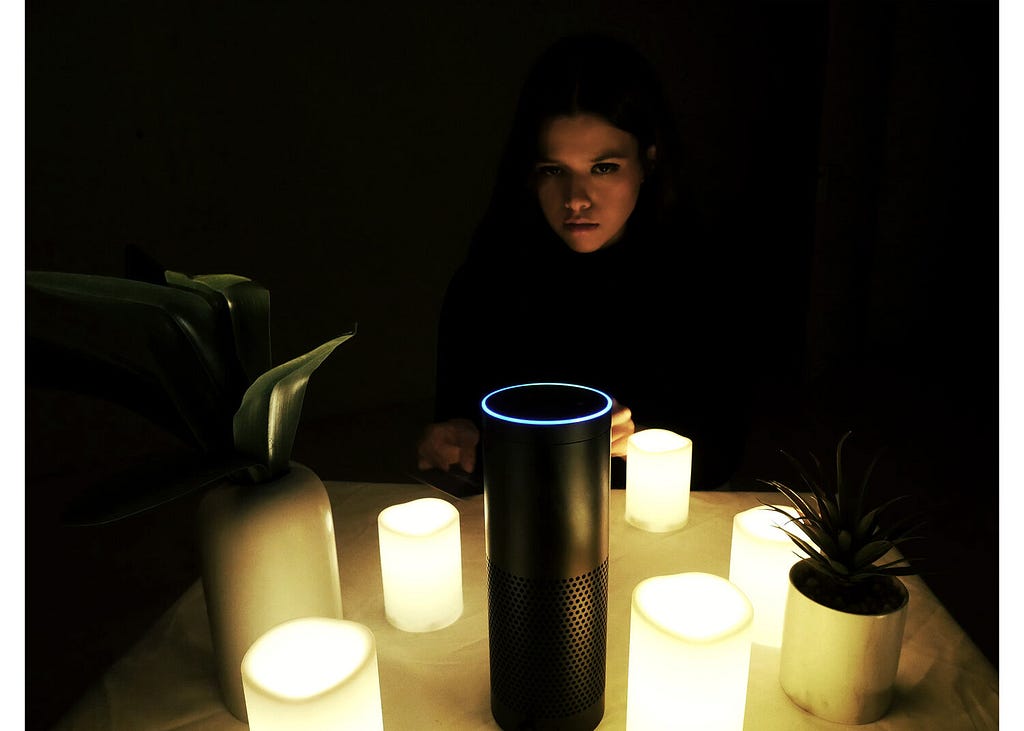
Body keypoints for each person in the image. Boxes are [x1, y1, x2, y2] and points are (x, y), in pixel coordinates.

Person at [416, 33, 751, 490]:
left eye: (603, 168)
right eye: (554, 171)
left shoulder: (699, 286)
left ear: (648, 160)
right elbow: (462, 433)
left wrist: (641, 446)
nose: (577, 200)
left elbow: (721, 455)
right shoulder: (487, 285)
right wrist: (457, 439)